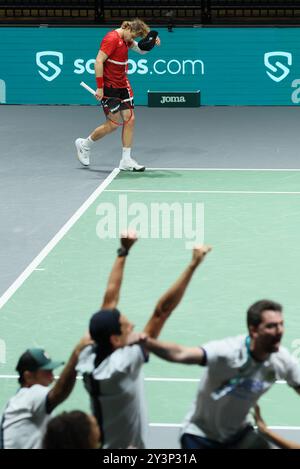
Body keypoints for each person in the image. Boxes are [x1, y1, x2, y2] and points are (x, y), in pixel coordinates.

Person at [76, 230, 211, 449]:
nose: (132, 326)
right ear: (115, 340)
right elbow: (161, 312)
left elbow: (109, 300)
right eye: (126, 326)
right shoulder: (121, 366)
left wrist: (123, 251)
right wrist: (193, 265)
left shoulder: (89, 354)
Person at [143, 299, 300, 449]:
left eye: (281, 325)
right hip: (200, 435)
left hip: (238, 434)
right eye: (271, 326)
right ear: (253, 330)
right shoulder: (228, 352)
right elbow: (180, 354)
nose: (279, 331)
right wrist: (146, 342)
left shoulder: (282, 361)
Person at [75, 19, 160, 172]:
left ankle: (126, 160)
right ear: (127, 29)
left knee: (130, 119)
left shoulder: (127, 38)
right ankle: (84, 145)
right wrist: (100, 88)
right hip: (109, 86)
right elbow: (98, 61)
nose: (132, 40)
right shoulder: (111, 39)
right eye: (132, 36)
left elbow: (142, 50)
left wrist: (152, 39)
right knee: (113, 124)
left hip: (123, 84)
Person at [0, 336, 92, 449]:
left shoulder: (19, 401)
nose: (52, 377)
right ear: (28, 376)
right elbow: (59, 393)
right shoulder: (30, 395)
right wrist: (76, 355)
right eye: (47, 372)